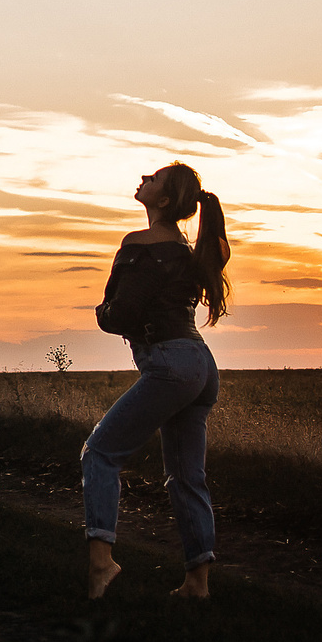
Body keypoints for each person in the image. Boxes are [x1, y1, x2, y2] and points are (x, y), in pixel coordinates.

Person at [83, 162, 230, 600]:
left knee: (100, 452)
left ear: (163, 201)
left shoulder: (139, 245)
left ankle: (100, 563)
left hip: (169, 364)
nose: (143, 178)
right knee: (187, 476)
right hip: (200, 366)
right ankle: (197, 584)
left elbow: (120, 315)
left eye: (154, 179)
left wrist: (102, 313)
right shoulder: (192, 251)